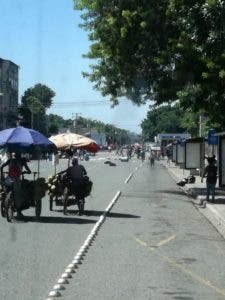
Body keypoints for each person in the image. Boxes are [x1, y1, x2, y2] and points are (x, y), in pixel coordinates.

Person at [0, 152, 31, 217]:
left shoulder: (10, 160)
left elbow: (2, 166)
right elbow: (29, 171)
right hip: (17, 180)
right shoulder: (22, 161)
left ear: (14, 155)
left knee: (6, 190)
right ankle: (19, 211)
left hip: (8, 179)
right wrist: (27, 172)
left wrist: (2, 175)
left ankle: (5, 201)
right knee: (18, 194)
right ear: (20, 155)